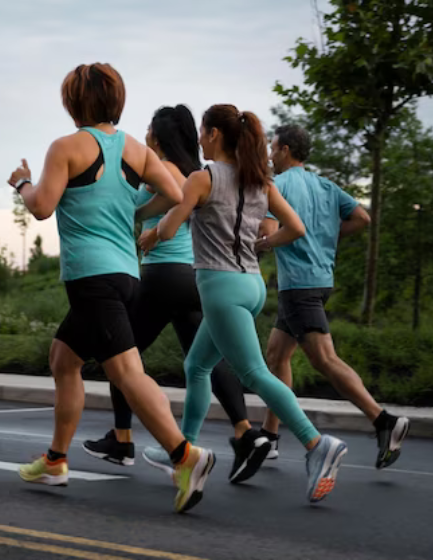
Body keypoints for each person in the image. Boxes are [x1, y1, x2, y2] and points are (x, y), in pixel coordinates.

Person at [8, 63, 215, 513]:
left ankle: (186, 456)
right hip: (125, 274)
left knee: (125, 372)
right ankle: (57, 460)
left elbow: (42, 207)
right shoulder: (136, 151)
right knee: (64, 359)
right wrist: (137, 214)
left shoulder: (66, 147)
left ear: (72, 101)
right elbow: (179, 193)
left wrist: (22, 183)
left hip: (92, 278)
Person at [143, 104, 348, 504]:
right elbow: (296, 228)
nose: (199, 138)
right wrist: (262, 245)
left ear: (215, 134)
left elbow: (170, 225)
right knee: (197, 365)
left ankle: (316, 444)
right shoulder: (260, 181)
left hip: (220, 287)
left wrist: (150, 236)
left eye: (203, 132)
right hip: (252, 285)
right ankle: (183, 449)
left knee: (254, 373)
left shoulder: (203, 179)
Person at [82, 105, 270, 484]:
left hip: (163, 276)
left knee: (120, 354)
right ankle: (245, 431)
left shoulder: (164, 171)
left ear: (159, 136)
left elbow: (138, 208)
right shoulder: (194, 172)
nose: (146, 133)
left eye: (150, 128)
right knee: (204, 360)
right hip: (192, 279)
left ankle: (122, 440)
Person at [259, 124, 410, 468]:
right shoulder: (326, 185)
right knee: (276, 354)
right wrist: (326, 235)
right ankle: (269, 435)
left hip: (299, 285)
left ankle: (383, 419)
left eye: (273, 148)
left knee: (324, 359)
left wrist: (260, 242)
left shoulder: (278, 186)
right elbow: (362, 217)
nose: (269, 155)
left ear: (284, 150)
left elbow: (267, 231)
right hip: (320, 280)